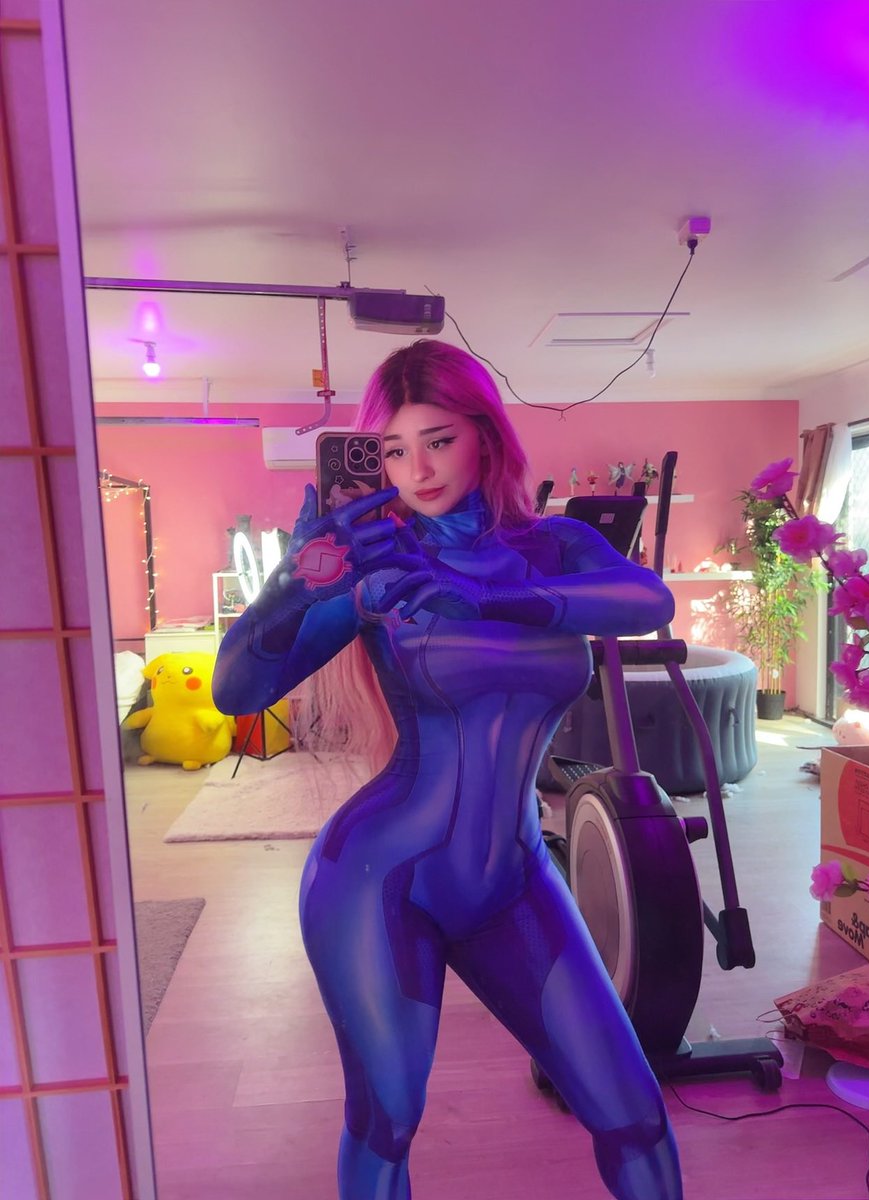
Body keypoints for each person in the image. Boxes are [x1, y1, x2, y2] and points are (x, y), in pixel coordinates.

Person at [213, 339, 682, 1200]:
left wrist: (486, 596)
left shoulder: (556, 546)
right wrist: (292, 585)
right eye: (393, 450)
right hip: (381, 882)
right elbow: (237, 691)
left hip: (514, 877)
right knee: (386, 1123)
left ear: (484, 435)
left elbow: (650, 601)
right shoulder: (378, 571)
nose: (417, 470)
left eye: (437, 440)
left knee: (635, 1115)